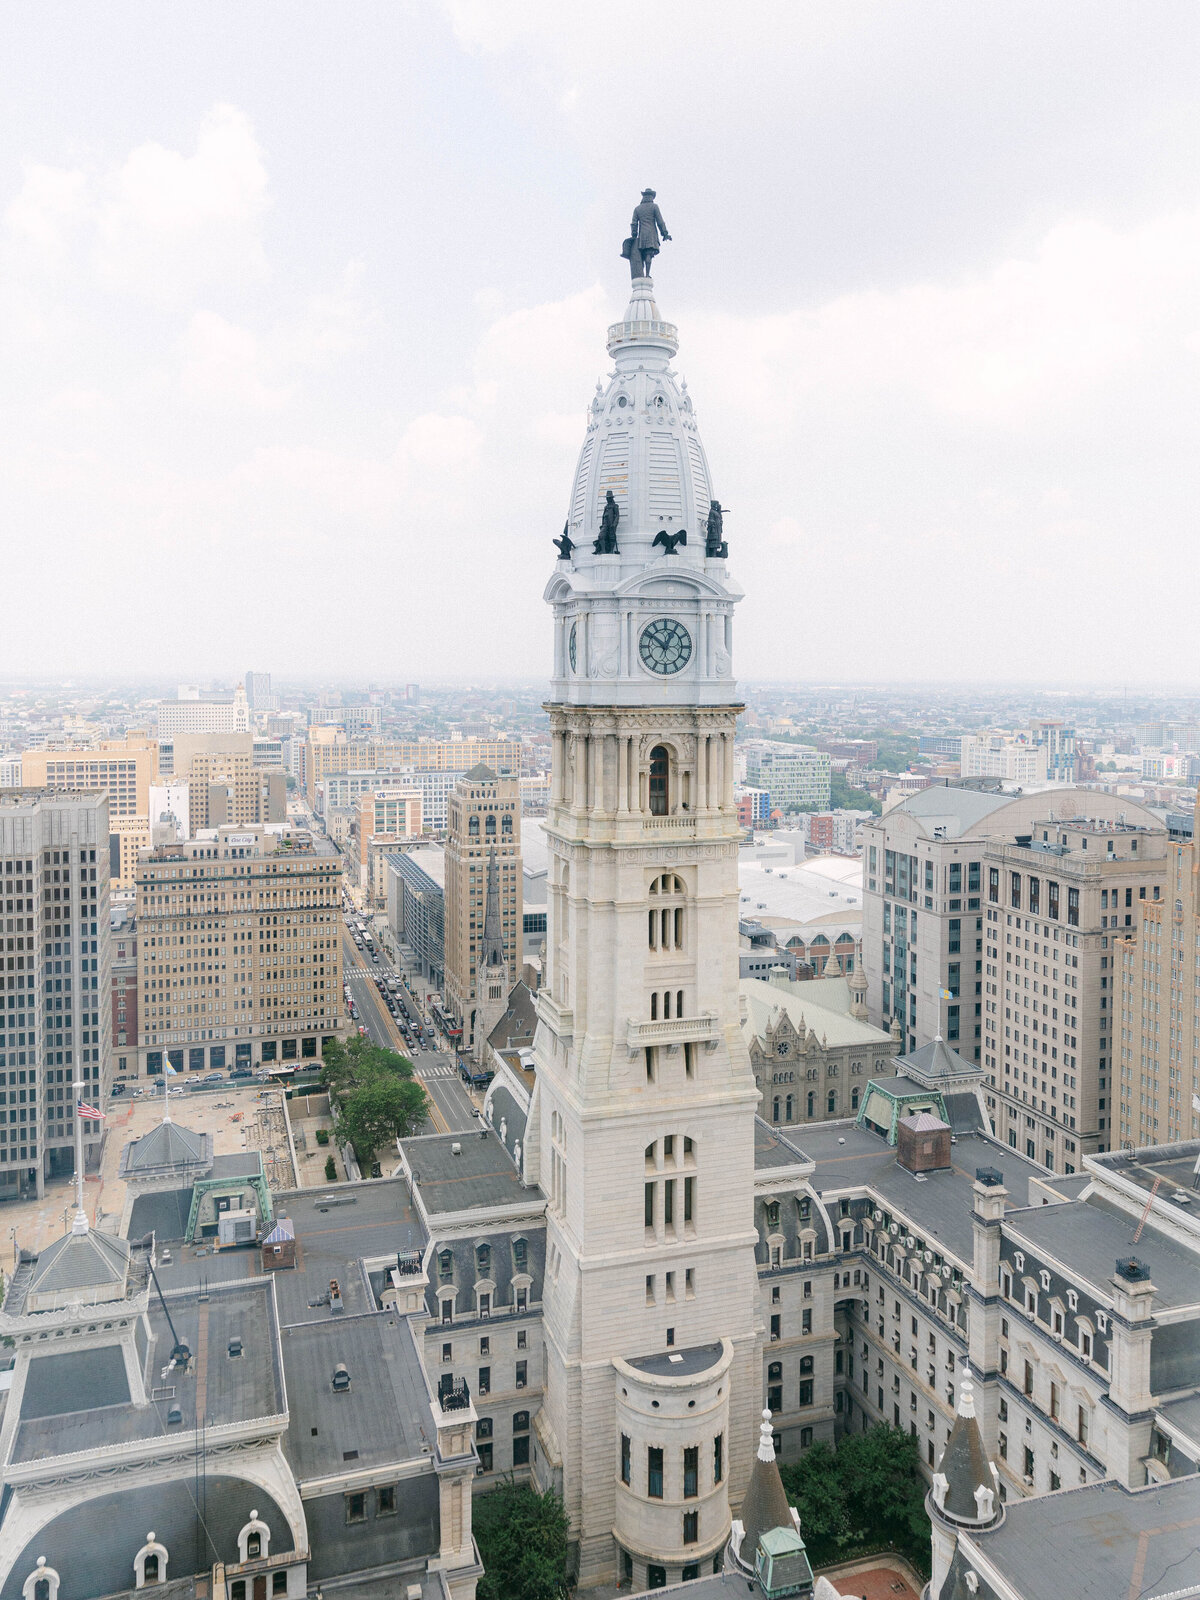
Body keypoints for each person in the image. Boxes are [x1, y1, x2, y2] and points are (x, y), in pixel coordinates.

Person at [628, 189, 670, 279]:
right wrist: (665, 233)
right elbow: (660, 221)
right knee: (648, 254)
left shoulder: (637, 209)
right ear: (651, 197)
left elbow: (634, 223)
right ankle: (647, 274)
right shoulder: (654, 207)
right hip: (651, 233)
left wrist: (634, 235)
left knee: (642, 255)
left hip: (642, 234)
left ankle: (642, 273)